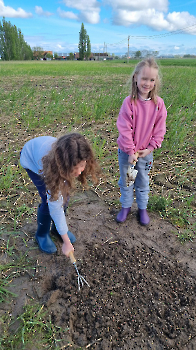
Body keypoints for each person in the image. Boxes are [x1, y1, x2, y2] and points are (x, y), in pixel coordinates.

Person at [20, 133, 99, 256]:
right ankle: (42, 234)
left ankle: (57, 229)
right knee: (48, 200)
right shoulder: (52, 166)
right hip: (32, 162)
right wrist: (67, 243)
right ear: (64, 165)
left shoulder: (73, 156)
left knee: (64, 196)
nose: (79, 172)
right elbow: (55, 205)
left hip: (47, 157)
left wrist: (63, 232)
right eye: (75, 168)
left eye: (82, 166)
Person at [116, 57, 167, 225]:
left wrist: (151, 148)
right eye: (144, 78)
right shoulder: (129, 103)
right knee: (128, 180)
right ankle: (126, 207)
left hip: (145, 154)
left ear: (156, 81)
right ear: (136, 77)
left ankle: (142, 208)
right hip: (127, 154)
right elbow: (125, 128)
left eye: (151, 79)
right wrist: (131, 152)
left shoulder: (158, 104)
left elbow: (160, 129)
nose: (147, 83)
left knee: (143, 181)